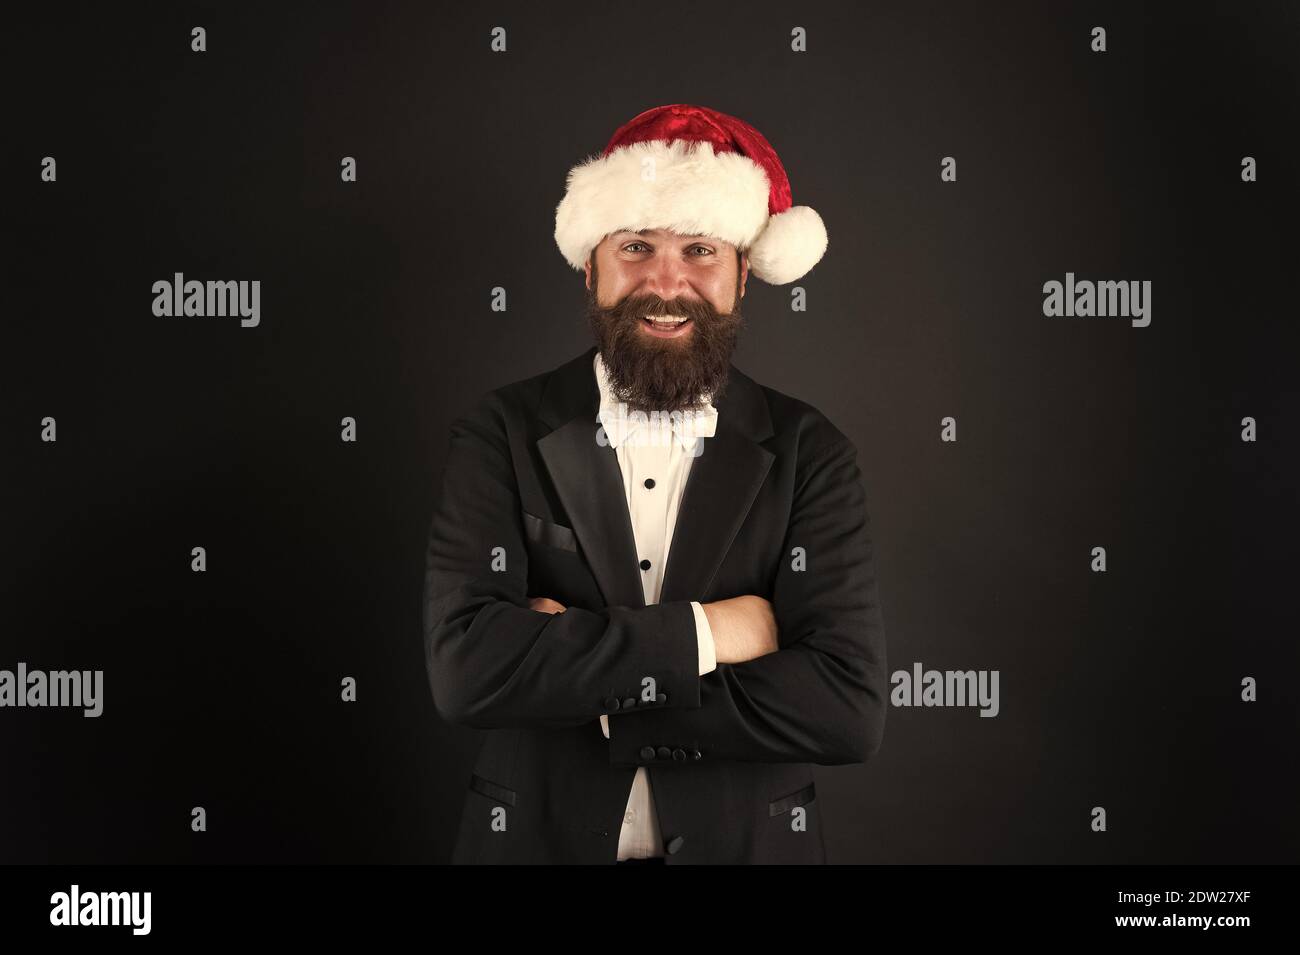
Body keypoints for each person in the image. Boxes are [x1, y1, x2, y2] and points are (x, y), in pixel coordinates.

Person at [423, 104, 887, 864]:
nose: (666, 282)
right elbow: (468, 672)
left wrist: (592, 687)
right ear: (591, 265)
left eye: (700, 248)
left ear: (744, 271)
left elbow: (846, 708)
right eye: (636, 245)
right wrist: (715, 632)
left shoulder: (814, 452)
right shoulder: (499, 432)